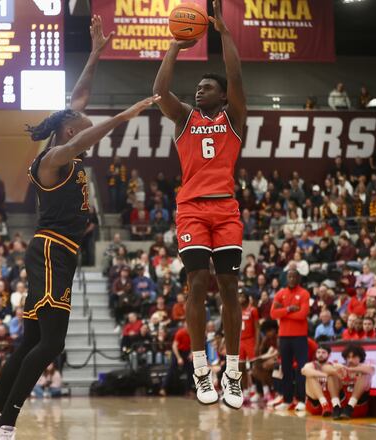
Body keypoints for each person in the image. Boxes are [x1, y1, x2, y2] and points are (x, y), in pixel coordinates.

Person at [0, 15, 158, 439]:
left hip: (57, 252)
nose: (87, 122)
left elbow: (79, 96)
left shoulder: (65, 143)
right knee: (51, 344)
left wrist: (95, 53)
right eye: (82, 124)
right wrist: (126, 114)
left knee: (30, 343)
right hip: (51, 249)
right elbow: (85, 134)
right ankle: (6, 425)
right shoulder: (54, 158)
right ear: (71, 132)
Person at [152, 0, 247, 409]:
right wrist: (175, 46)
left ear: (222, 96)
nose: (199, 90)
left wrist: (225, 35)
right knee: (196, 284)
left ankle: (233, 372)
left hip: (226, 208)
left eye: (207, 88)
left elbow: (235, 76)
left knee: (229, 287)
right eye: (198, 88)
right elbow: (159, 92)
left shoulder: (234, 119)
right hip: (191, 207)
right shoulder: (184, 119)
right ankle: (200, 369)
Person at [269, 270, 310, 411]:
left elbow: (303, 314)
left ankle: (301, 399)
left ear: (298, 278)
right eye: (289, 277)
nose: (292, 279)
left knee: (301, 368)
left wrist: (285, 313)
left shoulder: (304, 293)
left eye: (294, 277)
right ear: (286, 278)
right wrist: (289, 309)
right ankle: (287, 400)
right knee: (285, 368)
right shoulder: (280, 293)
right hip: (284, 336)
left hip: (300, 336)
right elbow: (273, 314)